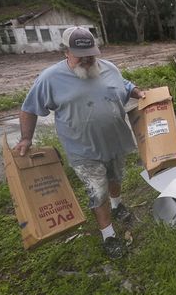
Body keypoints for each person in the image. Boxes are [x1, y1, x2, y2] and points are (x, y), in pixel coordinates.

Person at [14, 27, 143, 259]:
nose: (86, 59)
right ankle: (108, 235)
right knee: (98, 189)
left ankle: (117, 205)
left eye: (90, 54)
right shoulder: (50, 78)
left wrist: (139, 93)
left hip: (114, 142)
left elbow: (124, 85)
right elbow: (29, 108)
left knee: (115, 178)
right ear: (66, 52)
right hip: (83, 150)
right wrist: (26, 138)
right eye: (80, 55)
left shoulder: (109, 68)